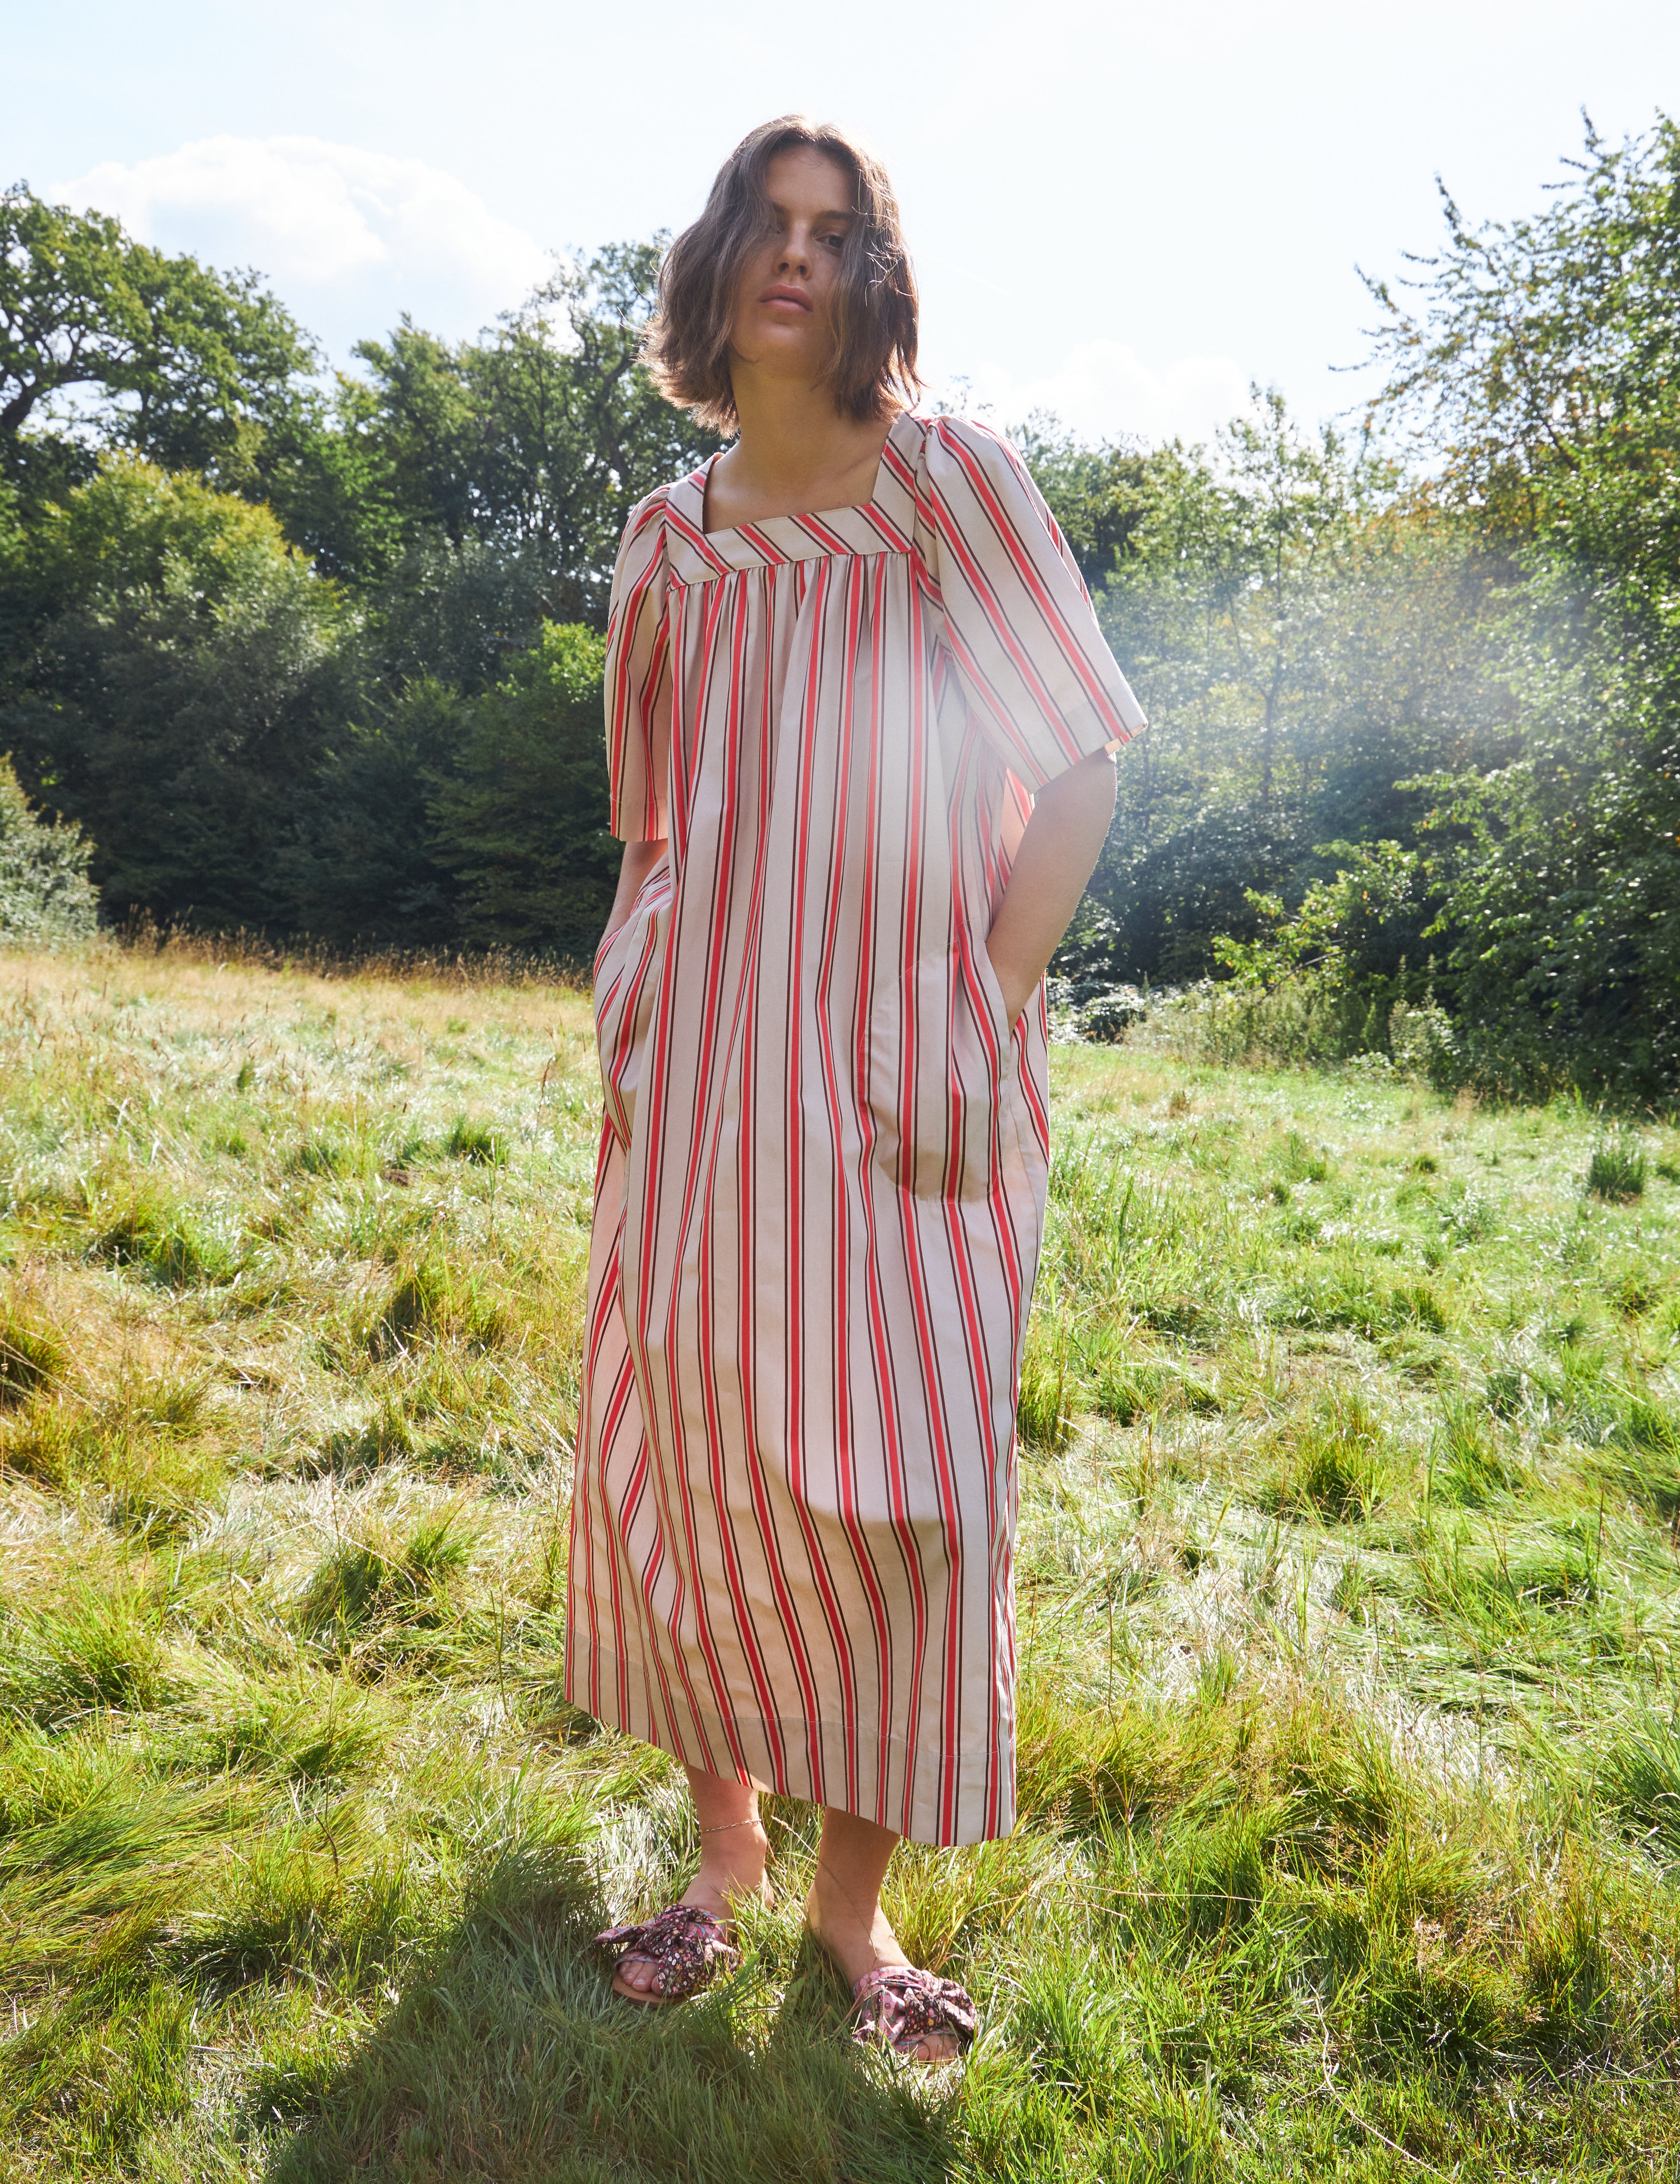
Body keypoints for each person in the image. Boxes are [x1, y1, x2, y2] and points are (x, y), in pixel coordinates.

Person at [568, 114, 1146, 2066]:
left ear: (871, 278)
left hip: (911, 1057)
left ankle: (849, 1907)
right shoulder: (666, 538)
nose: (799, 256)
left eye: (835, 232)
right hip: (697, 1060)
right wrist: (627, 995)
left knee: (912, 1484)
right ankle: (723, 1860)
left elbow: (1077, 765)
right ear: (716, 263)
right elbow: (650, 820)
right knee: (699, 1454)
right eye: (770, 223)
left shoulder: (947, 488)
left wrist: (979, 1014)